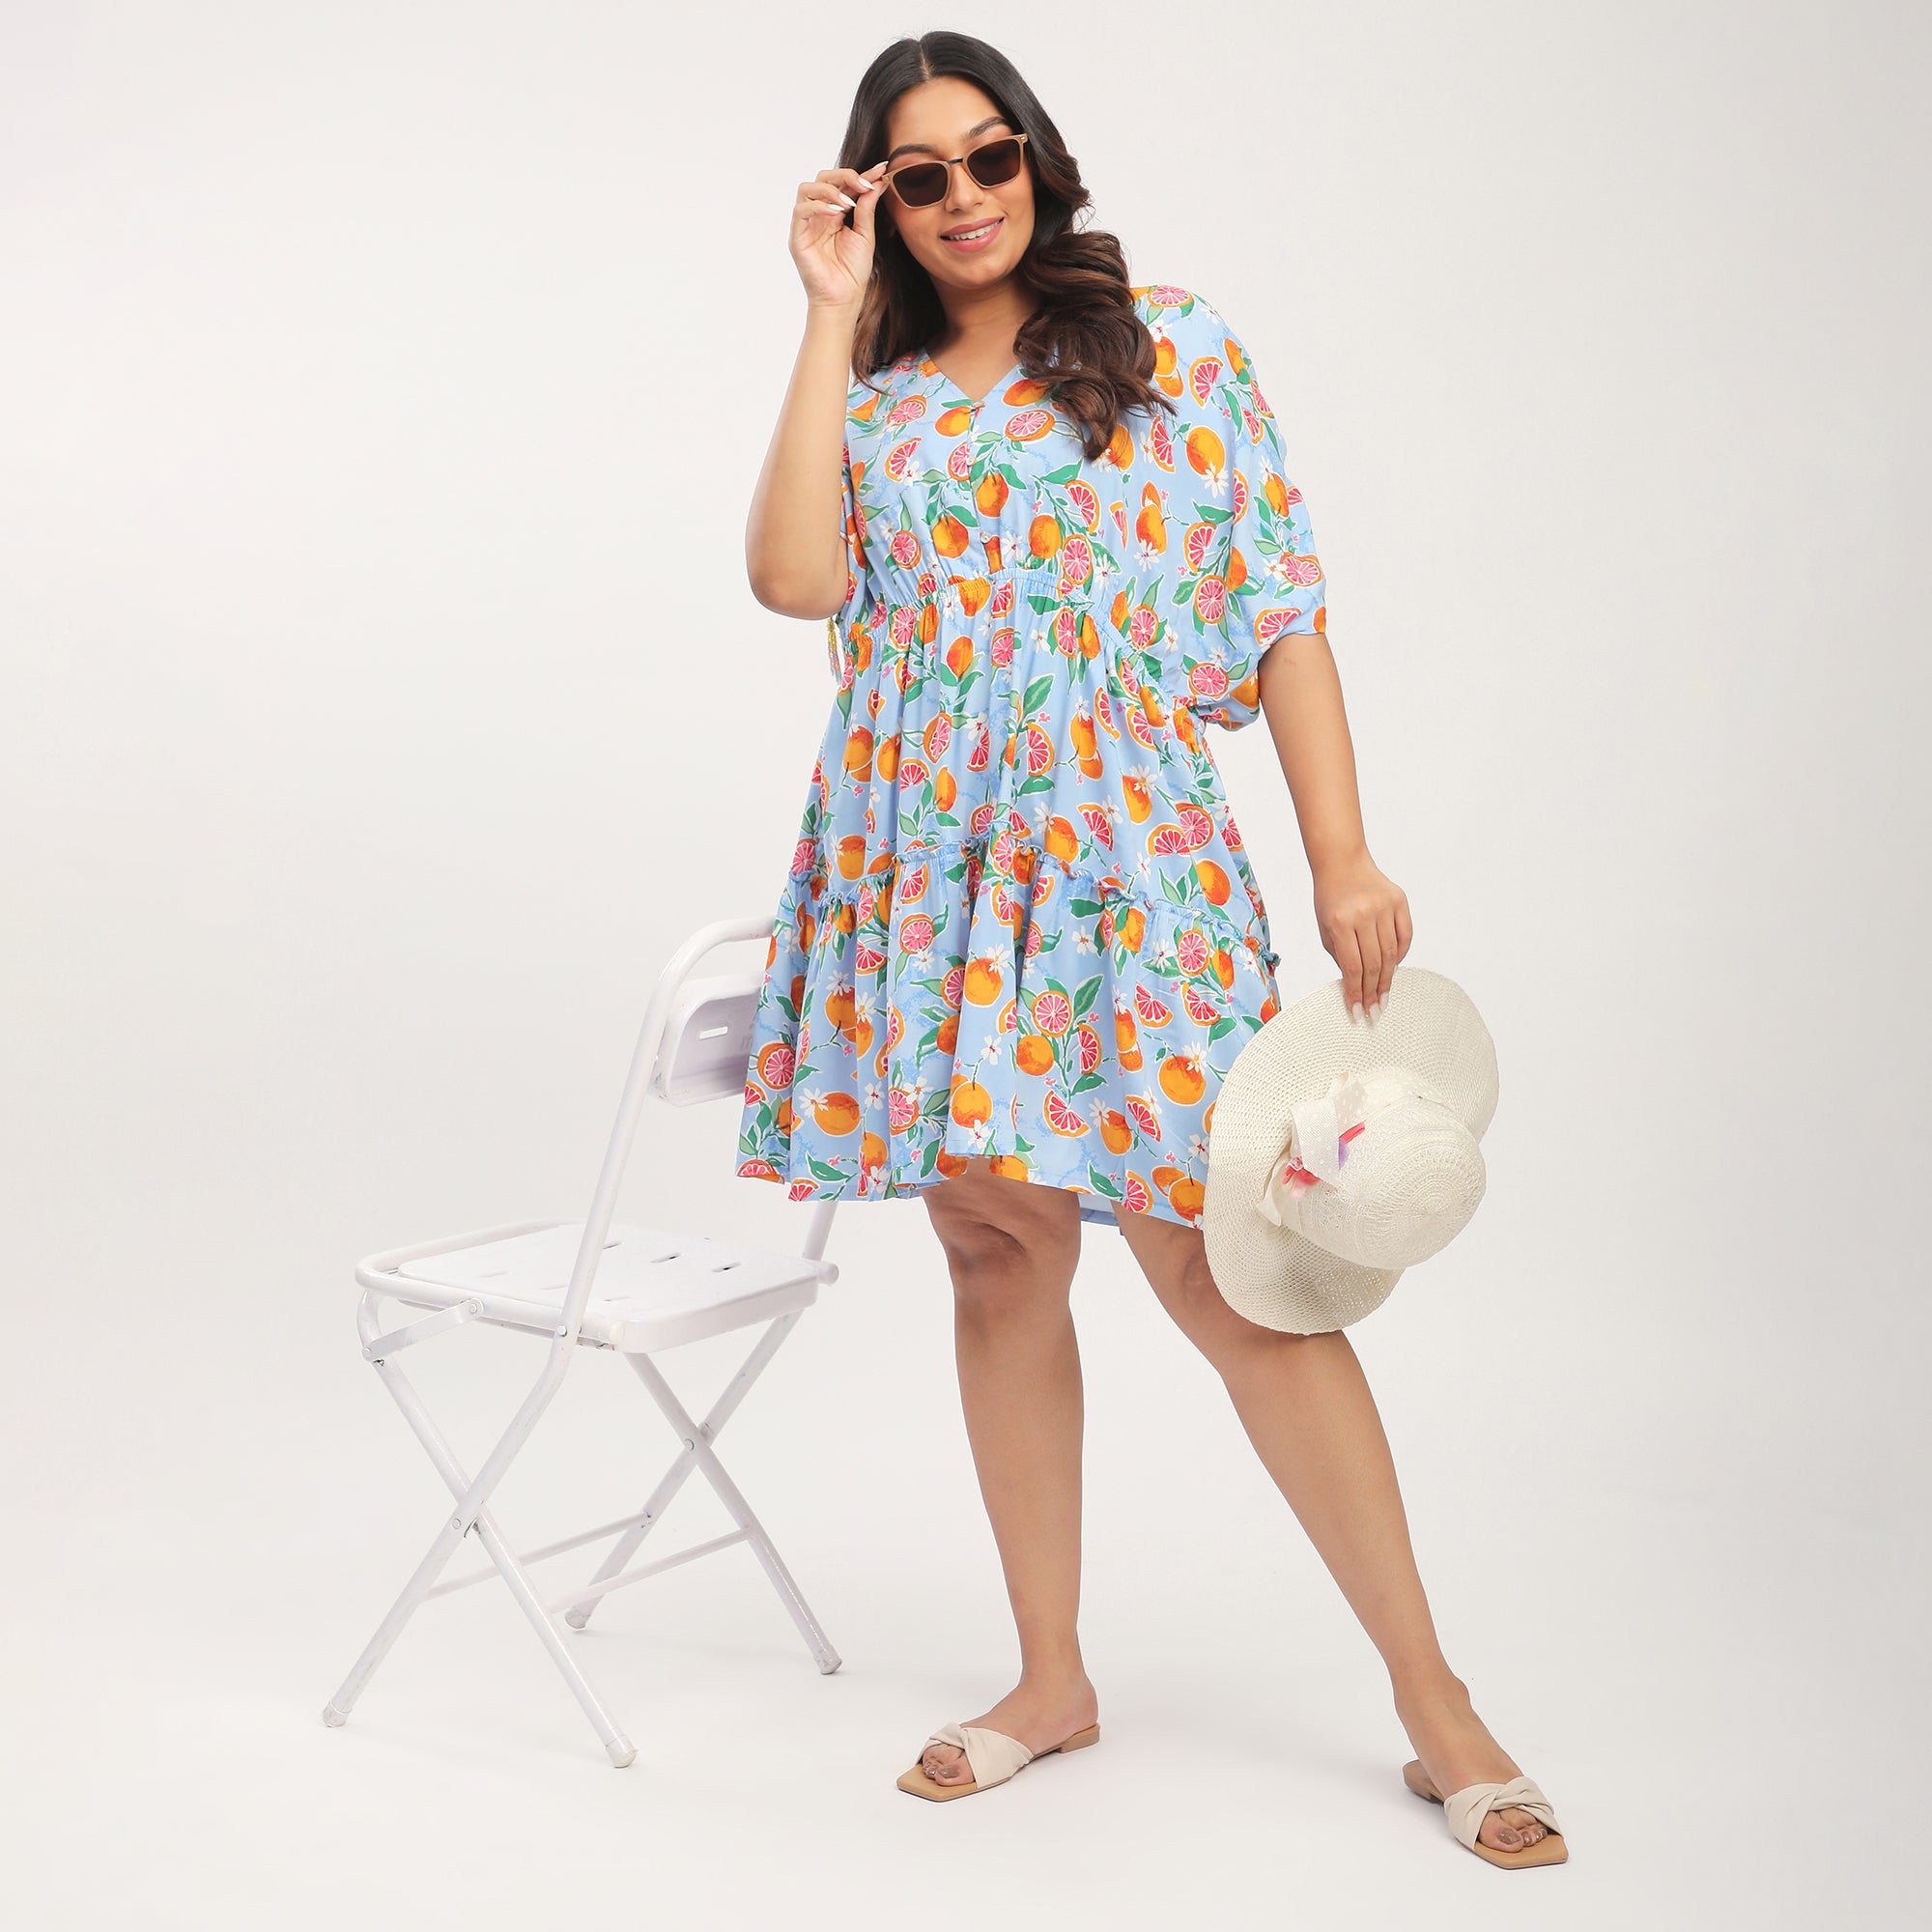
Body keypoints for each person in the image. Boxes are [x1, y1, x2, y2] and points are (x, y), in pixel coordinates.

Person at [737, 31, 1555, 1861]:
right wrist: (820, 312)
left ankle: (1438, 1704)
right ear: (872, 198)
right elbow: (794, 583)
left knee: (1235, 1269)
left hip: (1129, 866)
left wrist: (1340, 848)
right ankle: (1051, 1678)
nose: (962, 198)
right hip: (924, 877)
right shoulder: (867, 404)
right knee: (994, 1251)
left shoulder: (1166, 342)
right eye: (915, 175)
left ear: (1041, 160)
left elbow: (1282, 611)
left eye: (988, 157)